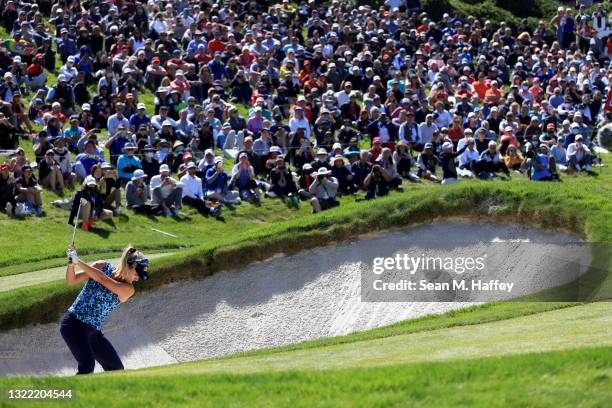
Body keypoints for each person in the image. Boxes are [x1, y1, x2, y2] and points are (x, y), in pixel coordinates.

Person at [61, 244, 149, 374]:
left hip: (93, 332)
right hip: (73, 323)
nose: (138, 278)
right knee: (87, 366)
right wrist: (71, 262)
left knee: (116, 369)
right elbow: (71, 280)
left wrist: (77, 259)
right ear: (129, 266)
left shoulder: (128, 289)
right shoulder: (101, 265)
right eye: (137, 273)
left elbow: (101, 279)